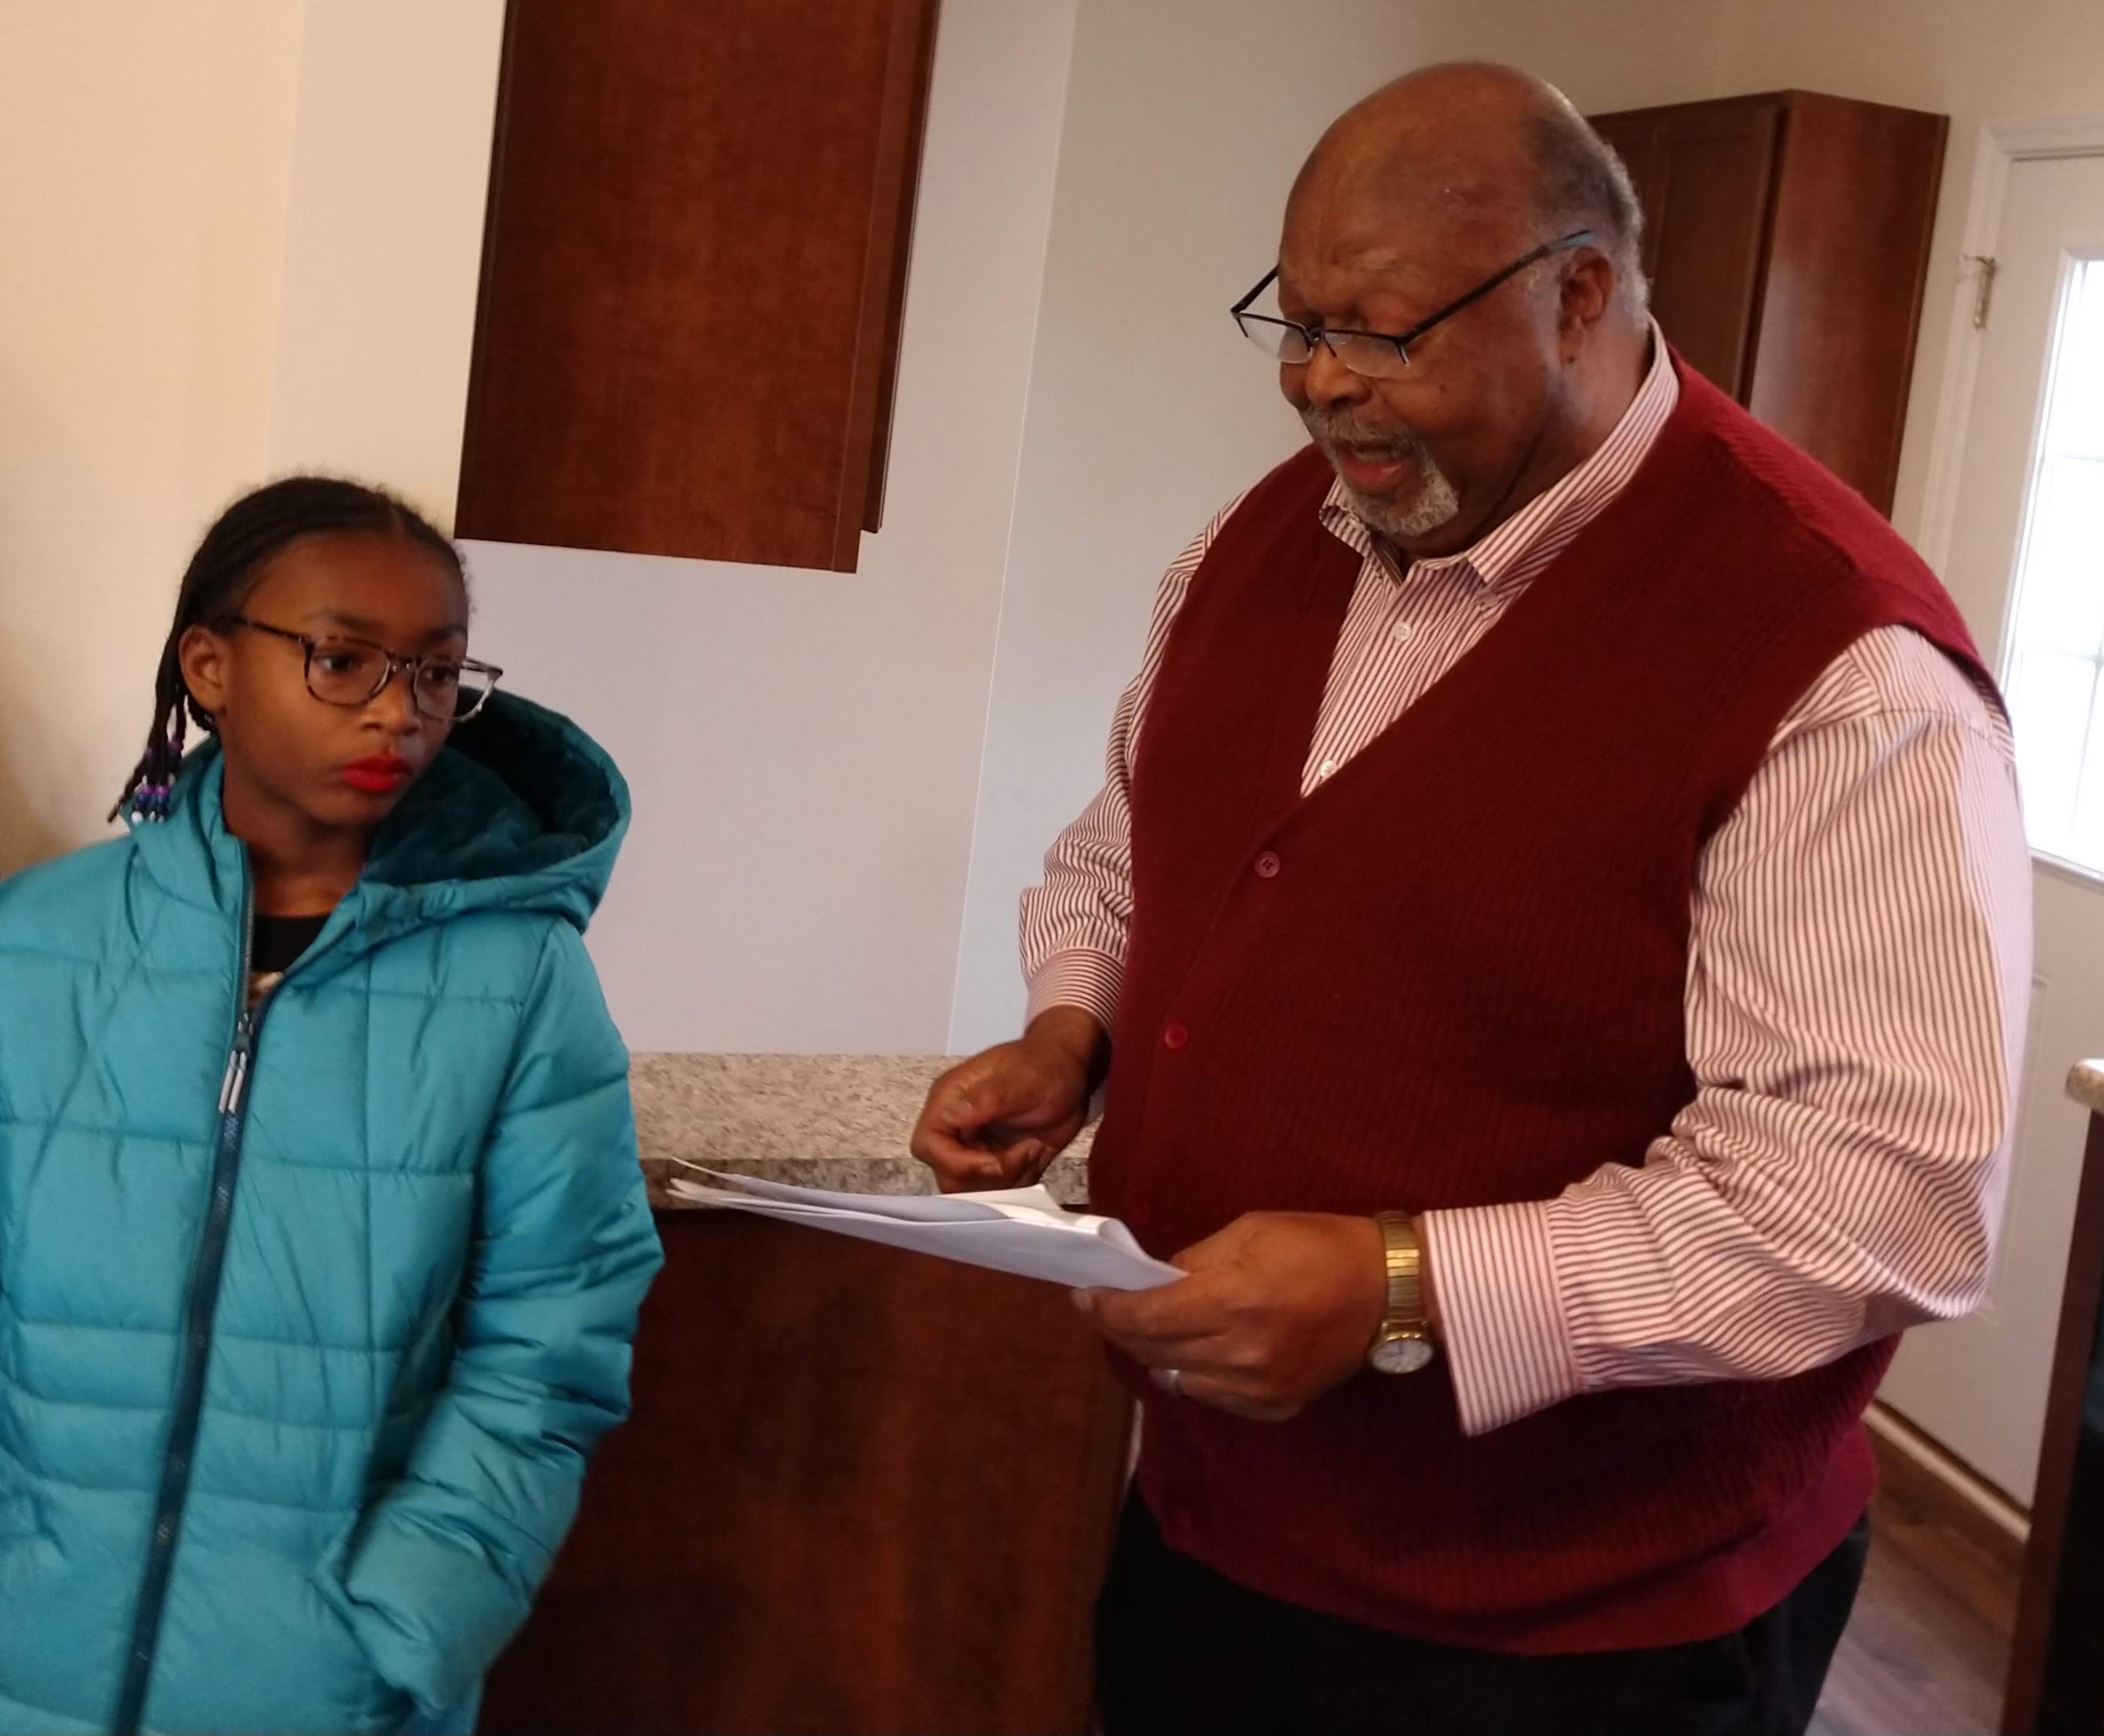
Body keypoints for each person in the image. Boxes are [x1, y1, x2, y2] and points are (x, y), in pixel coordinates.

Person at [913, 62, 2032, 1736]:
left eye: (1374, 331)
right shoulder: (1254, 546)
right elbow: (1132, 840)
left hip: (1575, 1632)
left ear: (1578, 295)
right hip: (1219, 1528)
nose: (1315, 387)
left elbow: (1870, 1197)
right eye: (1291, 326)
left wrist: (1400, 1287)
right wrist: (1078, 1025)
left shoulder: (1838, 663)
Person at [0, 478, 663, 1734]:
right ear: (210, 665)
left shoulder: (518, 981)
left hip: (330, 1687)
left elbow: (555, 1338)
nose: (397, 712)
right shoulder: (31, 943)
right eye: (341, 659)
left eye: (434, 674)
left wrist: (412, 1619)